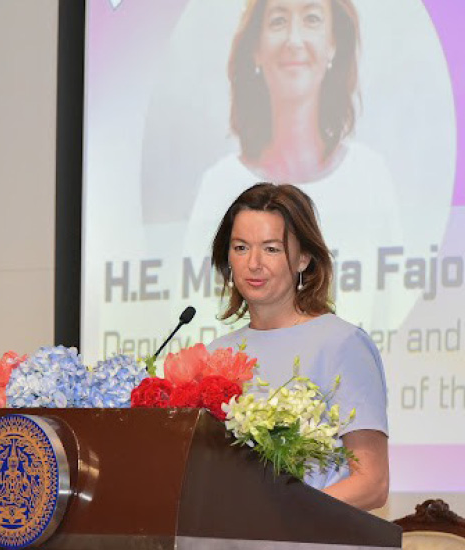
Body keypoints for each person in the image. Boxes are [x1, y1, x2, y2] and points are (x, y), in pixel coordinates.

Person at [187, 0, 406, 331]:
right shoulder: (218, 182)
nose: (294, 39)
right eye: (277, 22)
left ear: (333, 45)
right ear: (256, 50)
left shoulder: (370, 176)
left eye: (312, 19)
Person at [207, 183, 389, 511]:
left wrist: (283, 519)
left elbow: (372, 483)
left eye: (272, 249)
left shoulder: (341, 344)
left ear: (303, 258)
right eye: (240, 247)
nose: (254, 263)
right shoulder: (215, 355)